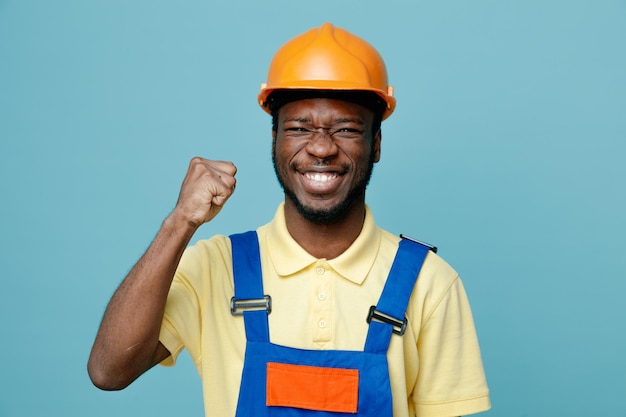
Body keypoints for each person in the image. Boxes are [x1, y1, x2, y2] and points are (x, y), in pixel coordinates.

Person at [88, 22, 491, 417]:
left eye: (346, 129)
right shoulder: (214, 267)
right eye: (299, 128)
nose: (320, 147)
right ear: (275, 140)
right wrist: (179, 223)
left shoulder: (429, 283)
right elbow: (109, 371)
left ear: (376, 143)